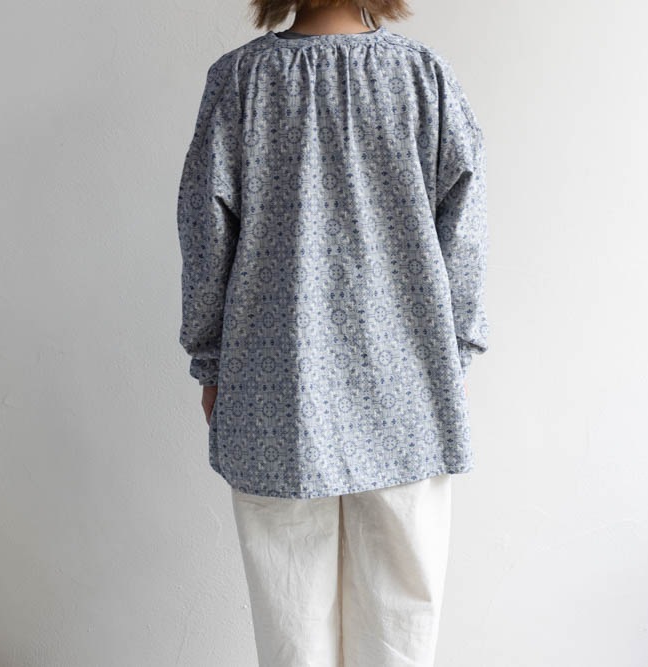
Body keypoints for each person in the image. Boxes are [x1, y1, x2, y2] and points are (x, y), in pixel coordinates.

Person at [176, 1, 489, 664]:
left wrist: (211, 364)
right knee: (402, 618)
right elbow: (464, 231)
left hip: (275, 395)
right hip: (408, 392)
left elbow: (205, 236)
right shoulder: (422, 78)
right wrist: (453, 354)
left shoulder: (242, 82)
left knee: (290, 619)